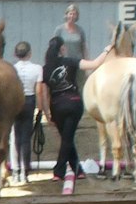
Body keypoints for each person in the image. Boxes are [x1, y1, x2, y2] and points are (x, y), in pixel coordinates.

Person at [39, 36, 113, 181]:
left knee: (66, 138)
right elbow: (94, 64)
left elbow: (44, 92)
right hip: (74, 103)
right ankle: (63, 171)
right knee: (68, 138)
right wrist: (106, 50)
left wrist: (46, 111)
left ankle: (72, 170)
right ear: (62, 49)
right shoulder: (70, 61)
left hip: (57, 106)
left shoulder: (45, 69)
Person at [12, 40, 44, 182]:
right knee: (26, 138)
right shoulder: (37, 68)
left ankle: (15, 170)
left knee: (14, 137)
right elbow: (39, 91)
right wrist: (40, 108)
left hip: (15, 101)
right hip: (29, 101)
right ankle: (25, 171)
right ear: (30, 54)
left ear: (15, 54)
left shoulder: (12, 69)